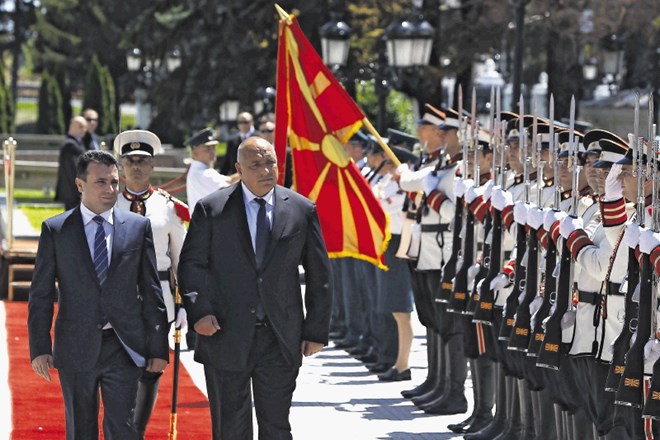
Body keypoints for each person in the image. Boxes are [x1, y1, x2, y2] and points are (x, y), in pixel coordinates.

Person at [178, 136, 333, 439]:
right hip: (225, 333)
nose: (265, 170)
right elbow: (191, 265)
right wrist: (200, 312)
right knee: (230, 428)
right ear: (238, 168)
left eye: (270, 163)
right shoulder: (213, 209)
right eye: (256, 165)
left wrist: (316, 330)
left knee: (276, 426)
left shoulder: (301, 209)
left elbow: (319, 274)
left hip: (279, 337)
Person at [28, 149, 169, 440]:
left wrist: (157, 347)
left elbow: (151, 289)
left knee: (124, 429)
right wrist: (40, 346)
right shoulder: (56, 230)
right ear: (80, 184)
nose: (111, 189)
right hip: (75, 347)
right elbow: (41, 294)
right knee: (81, 430)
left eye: (114, 182)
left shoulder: (137, 227)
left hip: (124, 346)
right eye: (101, 182)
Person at [114, 130, 189, 438]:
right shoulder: (107, 204)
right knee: (119, 369)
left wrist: (184, 303)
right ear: (120, 165)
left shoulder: (169, 208)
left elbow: (181, 259)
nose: (136, 167)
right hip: (118, 299)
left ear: (152, 165)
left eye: (143, 161)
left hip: (159, 299)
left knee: (151, 368)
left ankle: (137, 432)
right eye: (130, 160)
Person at [185, 128, 238, 215]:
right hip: (206, 227)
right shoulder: (202, 173)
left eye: (213, 147)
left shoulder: (203, 170)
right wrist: (250, 172)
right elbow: (230, 190)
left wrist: (245, 171)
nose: (212, 151)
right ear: (194, 151)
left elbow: (229, 180)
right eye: (207, 148)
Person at [55, 116, 88, 210]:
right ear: (72, 127)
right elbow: (73, 170)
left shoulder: (77, 143)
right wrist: (80, 189)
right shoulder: (70, 145)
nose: (84, 130)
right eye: (80, 126)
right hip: (72, 191)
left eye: (85, 127)